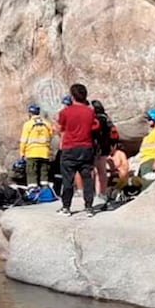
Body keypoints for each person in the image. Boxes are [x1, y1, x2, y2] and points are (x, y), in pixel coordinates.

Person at [55, 84, 99, 217]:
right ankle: (89, 207)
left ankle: (66, 207)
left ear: (72, 96)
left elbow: (59, 127)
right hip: (86, 147)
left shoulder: (65, 112)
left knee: (68, 179)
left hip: (69, 148)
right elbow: (94, 126)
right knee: (87, 178)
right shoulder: (90, 111)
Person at [19, 104, 53, 188]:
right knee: (44, 173)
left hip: (32, 153)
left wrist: (22, 153)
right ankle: (45, 190)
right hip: (45, 153)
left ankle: (33, 190)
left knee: (32, 173)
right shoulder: (47, 124)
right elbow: (50, 136)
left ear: (30, 113)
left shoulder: (28, 124)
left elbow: (23, 140)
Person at [91, 100, 116, 198]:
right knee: (102, 171)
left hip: (95, 146)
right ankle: (102, 192)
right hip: (105, 146)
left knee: (93, 171)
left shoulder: (95, 119)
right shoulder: (107, 118)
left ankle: (93, 192)